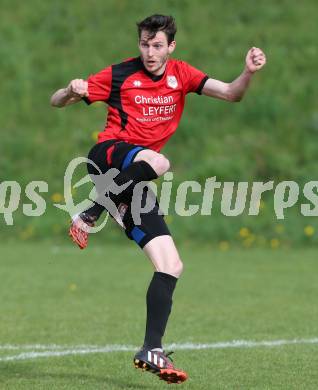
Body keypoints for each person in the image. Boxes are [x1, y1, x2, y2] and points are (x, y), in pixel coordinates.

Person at [50, 14, 266, 384]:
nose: (149, 52)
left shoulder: (181, 75)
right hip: (108, 157)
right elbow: (56, 101)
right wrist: (71, 90)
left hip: (134, 176)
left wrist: (247, 72)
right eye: (145, 44)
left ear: (171, 47)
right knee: (158, 159)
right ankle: (93, 210)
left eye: (157, 45)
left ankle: (151, 348)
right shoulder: (120, 74)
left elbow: (232, 93)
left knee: (170, 264)